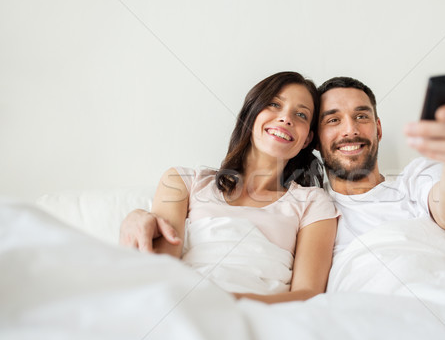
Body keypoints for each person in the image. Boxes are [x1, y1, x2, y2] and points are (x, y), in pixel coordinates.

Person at [119, 71, 338, 304]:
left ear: (307, 139)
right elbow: (162, 271)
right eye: (274, 104)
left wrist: (221, 301)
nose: (286, 118)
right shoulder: (182, 181)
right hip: (183, 309)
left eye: (301, 114)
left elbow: (307, 295)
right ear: (251, 114)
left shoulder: (313, 203)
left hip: (259, 317)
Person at [315, 76, 445, 254]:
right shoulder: (311, 211)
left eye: (361, 116)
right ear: (315, 139)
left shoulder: (417, 177)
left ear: (378, 129)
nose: (350, 130)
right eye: (333, 120)